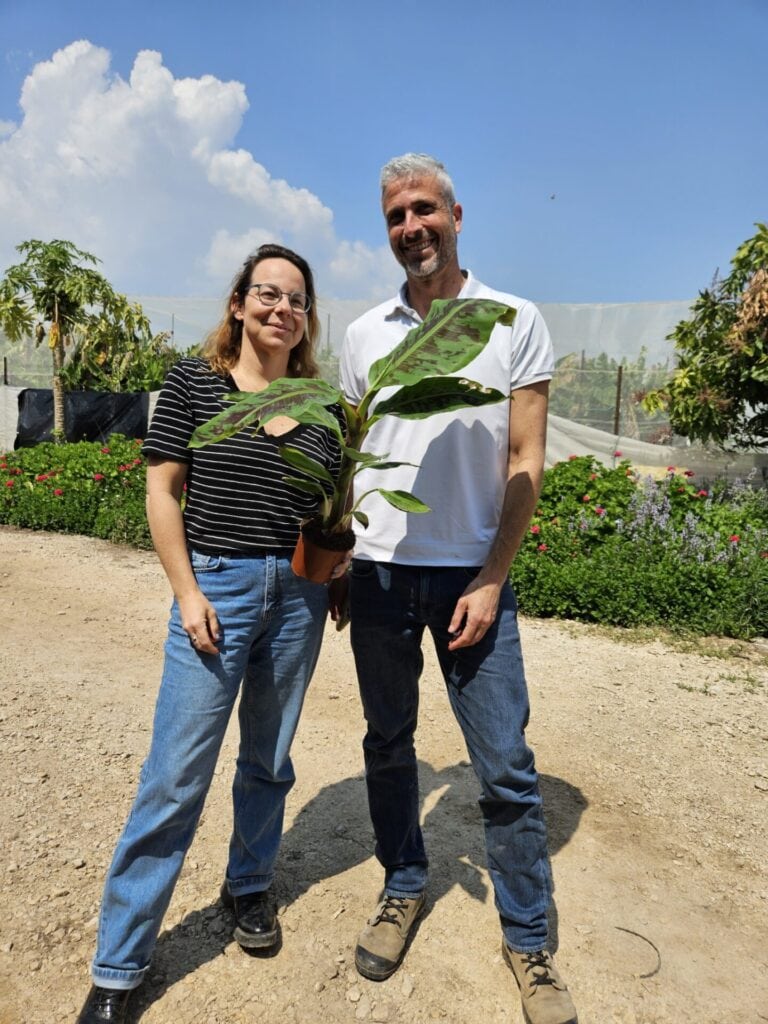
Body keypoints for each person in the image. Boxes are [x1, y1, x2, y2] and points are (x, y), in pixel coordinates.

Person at [77, 243, 347, 1024]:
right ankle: (120, 965)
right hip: (219, 588)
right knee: (175, 774)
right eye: (267, 293)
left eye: (296, 299)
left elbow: (330, 504)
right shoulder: (196, 383)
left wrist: (339, 571)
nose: (280, 308)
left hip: (296, 598)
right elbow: (163, 490)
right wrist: (186, 590)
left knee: (269, 758)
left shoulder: (324, 407)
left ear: (307, 318)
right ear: (238, 303)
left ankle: (249, 886)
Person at [336, 154, 578, 1024]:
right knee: (388, 743)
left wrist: (493, 573)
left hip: (474, 582)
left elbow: (525, 460)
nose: (412, 227)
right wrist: (337, 560)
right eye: (397, 215)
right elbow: (352, 458)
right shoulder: (365, 336)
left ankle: (530, 942)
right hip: (381, 576)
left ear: (458, 214)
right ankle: (403, 884)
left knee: (506, 767)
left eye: (425, 209)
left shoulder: (512, 320)